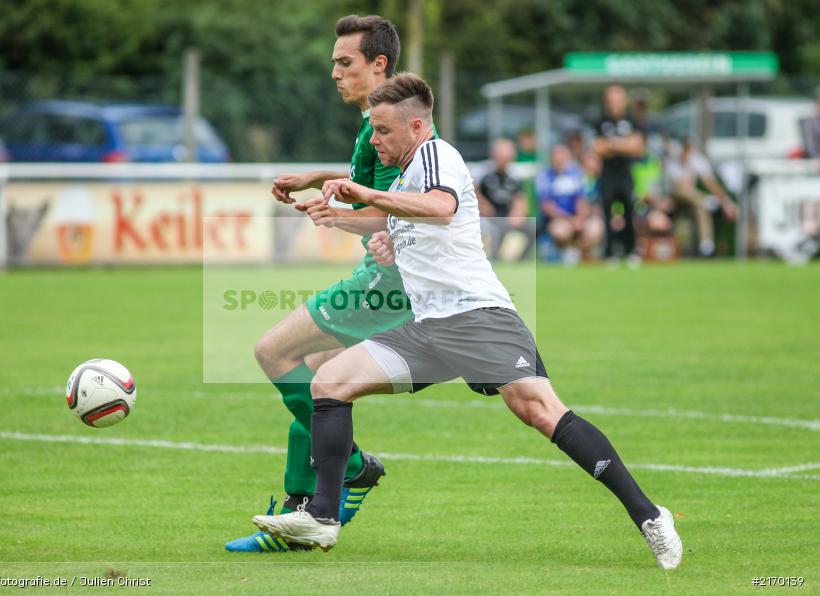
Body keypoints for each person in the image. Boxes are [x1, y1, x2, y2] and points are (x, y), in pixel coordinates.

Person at [253, 73, 683, 570]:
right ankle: (322, 517)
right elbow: (400, 220)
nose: (375, 141)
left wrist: (365, 197)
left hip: (478, 317)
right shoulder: (406, 173)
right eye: (372, 131)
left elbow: (440, 209)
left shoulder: (438, 156)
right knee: (330, 382)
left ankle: (650, 515)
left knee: (539, 411)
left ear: (416, 125)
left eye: (384, 131)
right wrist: (334, 215)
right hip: (427, 329)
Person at [225, 15, 410, 553]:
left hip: (391, 282)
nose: (334, 72)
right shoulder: (376, 123)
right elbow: (373, 186)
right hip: (382, 275)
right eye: (333, 62)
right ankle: (299, 517)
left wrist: (340, 214)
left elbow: (402, 211)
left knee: (272, 351)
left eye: (344, 62)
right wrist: (316, 179)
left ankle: (351, 464)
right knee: (314, 375)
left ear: (379, 65)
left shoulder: (400, 123)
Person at [594, 85, 645, 263]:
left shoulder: (632, 121)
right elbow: (598, 147)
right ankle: (609, 252)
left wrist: (612, 145)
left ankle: (630, 250)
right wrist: (624, 144)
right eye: (610, 100)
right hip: (607, 176)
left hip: (626, 175)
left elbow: (637, 146)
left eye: (617, 99)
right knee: (607, 213)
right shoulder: (600, 121)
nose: (614, 104)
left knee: (630, 211)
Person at [664, 138, 737, 257]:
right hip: (675, 196)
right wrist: (687, 165)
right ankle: (705, 201)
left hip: (693, 198)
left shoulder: (697, 159)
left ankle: (706, 247)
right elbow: (681, 186)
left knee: (700, 208)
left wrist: (725, 201)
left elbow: (710, 182)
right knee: (695, 198)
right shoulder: (672, 161)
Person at [537, 144, 603, 265]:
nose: (559, 159)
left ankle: (577, 253)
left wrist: (580, 218)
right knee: (560, 230)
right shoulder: (545, 175)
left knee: (596, 228)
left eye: (562, 156)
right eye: (556, 156)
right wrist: (569, 220)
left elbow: (582, 200)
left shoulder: (576, 174)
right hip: (558, 219)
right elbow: (546, 205)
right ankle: (569, 253)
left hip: (576, 217)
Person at [475, 138, 534, 260]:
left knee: (531, 227)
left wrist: (518, 212)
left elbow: (520, 198)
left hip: (507, 217)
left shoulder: (515, 175)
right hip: (487, 217)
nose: (504, 160)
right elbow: (475, 193)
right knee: (492, 229)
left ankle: (521, 260)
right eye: (501, 156)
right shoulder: (483, 172)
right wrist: (484, 206)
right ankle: (494, 260)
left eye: (507, 157)